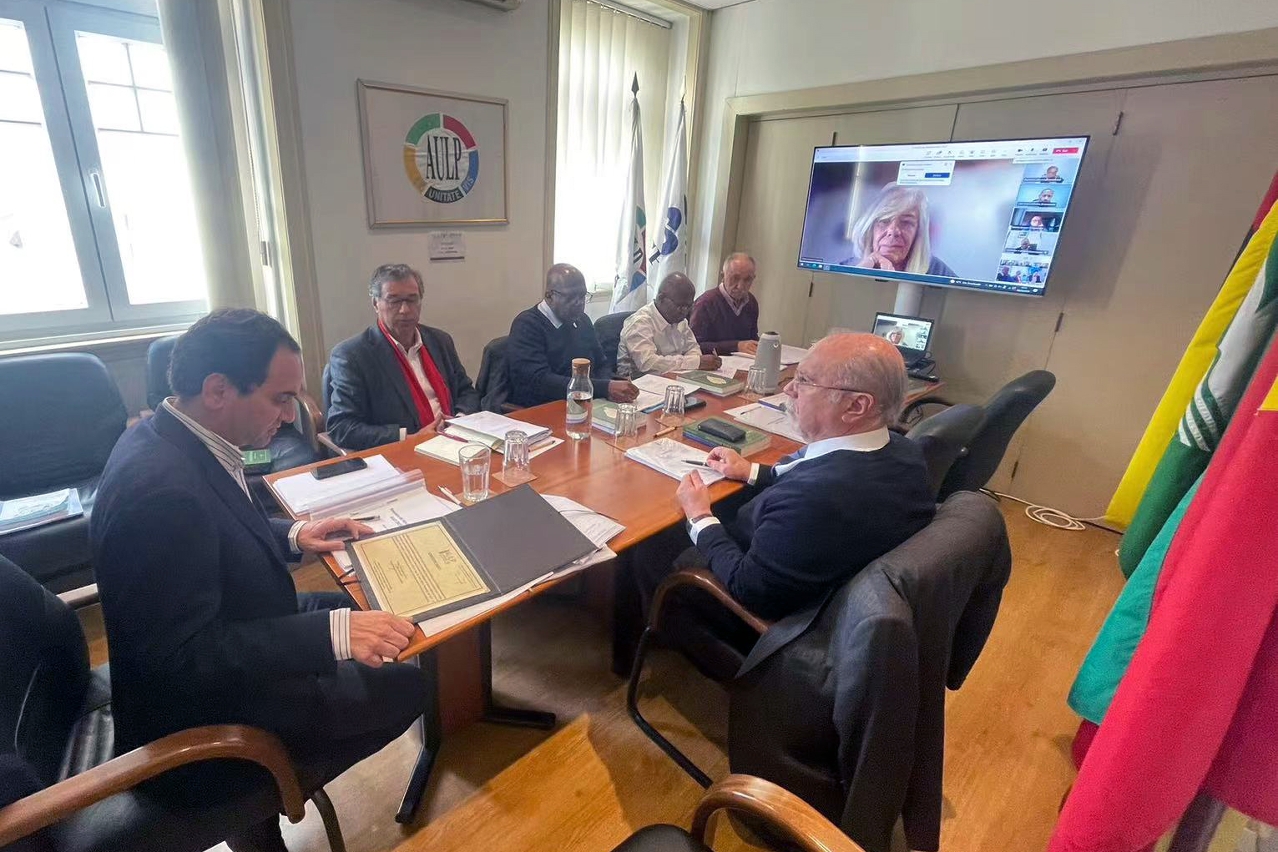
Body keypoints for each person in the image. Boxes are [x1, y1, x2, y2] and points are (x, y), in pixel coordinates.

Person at [91, 309, 428, 851]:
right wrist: (332, 637)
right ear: (218, 390)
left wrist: (295, 534)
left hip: (234, 629)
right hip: (200, 732)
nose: (293, 415)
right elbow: (182, 660)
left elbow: (214, 528)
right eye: (280, 398)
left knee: (366, 608)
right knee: (410, 683)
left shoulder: (172, 436)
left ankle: (256, 822)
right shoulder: (160, 494)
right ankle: (260, 797)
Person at [645, 333, 936, 623]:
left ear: (856, 406)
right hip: (813, 569)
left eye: (805, 381)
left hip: (757, 610)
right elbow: (815, 470)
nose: (789, 389)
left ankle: (658, 629)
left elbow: (749, 588)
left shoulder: (812, 499)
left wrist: (699, 518)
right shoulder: (905, 451)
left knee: (648, 546)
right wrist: (751, 471)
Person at [326, 263, 479, 450]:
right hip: (404, 450)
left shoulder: (440, 341)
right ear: (375, 303)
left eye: (412, 300)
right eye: (394, 301)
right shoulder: (352, 356)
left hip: (454, 440)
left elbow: (466, 391)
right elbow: (342, 427)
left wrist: (459, 421)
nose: (405, 310)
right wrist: (408, 437)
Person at [508, 263, 639, 407]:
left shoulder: (582, 320)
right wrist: (604, 388)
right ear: (549, 296)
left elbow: (601, 363)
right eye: (570, 297)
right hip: (545, 407)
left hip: (586, 402)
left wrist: (611, 384)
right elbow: (540, 382)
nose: (579, 303)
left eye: (582, 296)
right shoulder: (527, 325)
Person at [617, 272, 722, 377]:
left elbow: (693, 349)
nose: (685, 311)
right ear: (661, 298)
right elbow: (648, 364)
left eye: (689, 306)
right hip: (638, 382)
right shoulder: (639, 323)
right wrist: (694, 363)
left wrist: (694, 362)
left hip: (674, 378)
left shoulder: (680, 320)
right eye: (680, 306)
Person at [839, 184, 956, 277]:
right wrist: (856, 278)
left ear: (918, 233)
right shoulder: (845, 270)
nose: (893, 231)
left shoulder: (938, 272)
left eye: (906, 222)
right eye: (884, 220)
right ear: (870, 229)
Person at [689, 253, 761, 355]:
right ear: (723, 276)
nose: (740, 286)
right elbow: (694, 346)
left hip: (744, 361)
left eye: (747, 280)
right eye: (735, 278)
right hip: (715, 362)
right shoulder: (706, 303)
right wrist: (736, 346)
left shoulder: (751, 302)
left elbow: (752, 338)